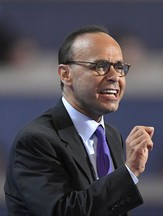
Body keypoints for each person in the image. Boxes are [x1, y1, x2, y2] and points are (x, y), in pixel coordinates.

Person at [4, 25, 154, 216]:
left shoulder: (111, 136)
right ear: (66, 74)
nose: (114, 77)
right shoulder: (36, 141)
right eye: (101, 66)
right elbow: (61, 212)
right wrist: (129, 171)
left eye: (119, 67)